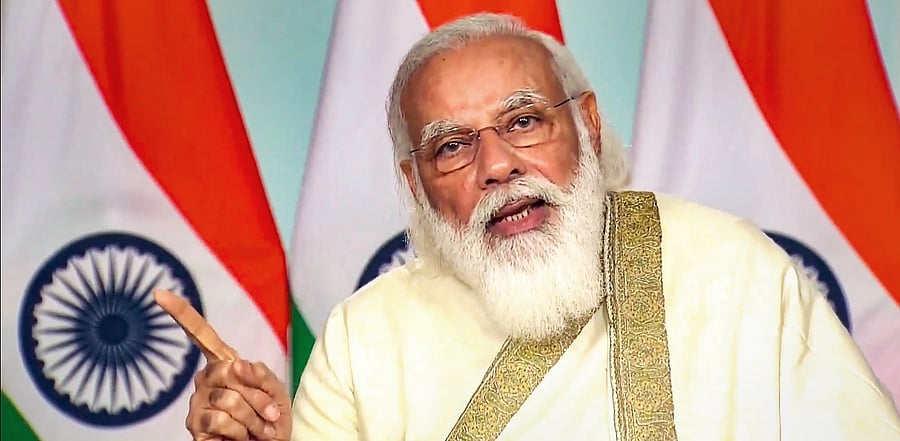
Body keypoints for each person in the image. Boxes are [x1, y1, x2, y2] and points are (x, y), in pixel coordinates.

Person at [161, 12, 900, 441]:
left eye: (522, 121)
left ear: (587, 126)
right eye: (452, 146)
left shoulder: (733, 269)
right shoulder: (364, 338)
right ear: (415, 186)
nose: (498, 166)